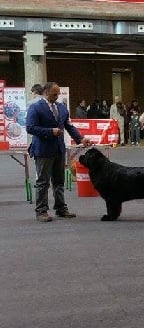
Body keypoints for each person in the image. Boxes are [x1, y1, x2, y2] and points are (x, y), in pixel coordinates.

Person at [26, 81, 92, 222]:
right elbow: (30, 128)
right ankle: (41, 211)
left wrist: (81, 139)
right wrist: (50, 131)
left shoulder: (62, 107)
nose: (56, 96)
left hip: (58, 150)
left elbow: (68, 126)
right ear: (45, 92)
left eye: (58, 94)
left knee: (59, 181)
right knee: (43, 182)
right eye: (54, 94)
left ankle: (61, 208)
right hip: (43, 150)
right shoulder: (35, 107)